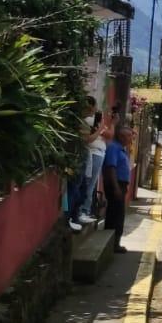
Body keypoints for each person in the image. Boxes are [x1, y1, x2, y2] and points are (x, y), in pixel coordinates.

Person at [70, 98, 107, 232]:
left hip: (86, 156)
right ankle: (76, 215)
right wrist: (100, 129)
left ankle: (77, 215)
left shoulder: (85, 120)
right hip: (80, 157)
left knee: (83, 187)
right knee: (80, 187)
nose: (93, 112)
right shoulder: (83, 121)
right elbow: (88, 139)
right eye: (92, 109)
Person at [102, 126, 133, 254]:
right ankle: (113, 244)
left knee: (118, 214)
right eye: (129, 136)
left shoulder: (121, 149)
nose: (131, 138)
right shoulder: (114, 148)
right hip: (116, 185)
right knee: (116, 215)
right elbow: (111, 168)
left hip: (121, 185)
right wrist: (116, 187)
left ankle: (115, 243)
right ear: (121, 137)